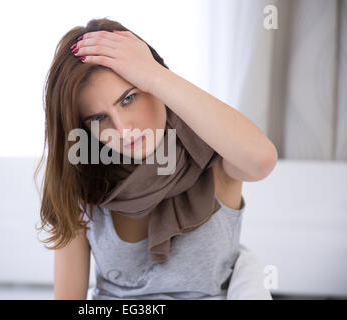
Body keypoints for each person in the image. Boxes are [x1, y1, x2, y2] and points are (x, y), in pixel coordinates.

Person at [34, 17, 277, 300]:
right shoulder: (83, 183)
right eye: (100, 118)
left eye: (128, 98)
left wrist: (154, 74)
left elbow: (261, 160)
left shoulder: (213, 155)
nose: (124, 130)